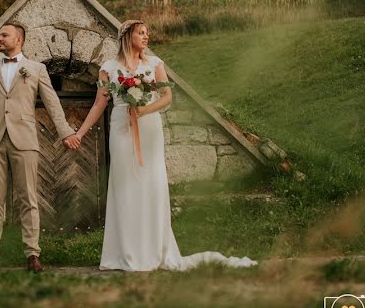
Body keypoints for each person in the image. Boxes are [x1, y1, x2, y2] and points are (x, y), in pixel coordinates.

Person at [69, 19, 258, 271]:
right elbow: (99, 104)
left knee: (151, 183)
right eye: (141, 33)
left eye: (147, 33)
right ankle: (125, 251)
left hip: (149, 128)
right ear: (127, 36)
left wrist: (145, 109)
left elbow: (167, 97)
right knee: (124, 187)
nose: (146, 37)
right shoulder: (108, 68)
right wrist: (80, 133)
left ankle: (154, 249)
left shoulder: (155, 64)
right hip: (121, 128)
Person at [0, 22, 79, 274]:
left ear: (18, 39)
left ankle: (32, 254)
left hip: (25, 140)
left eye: (3, 35)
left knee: (28, 198)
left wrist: (65, 133)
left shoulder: (36, 69)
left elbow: (52, 103)